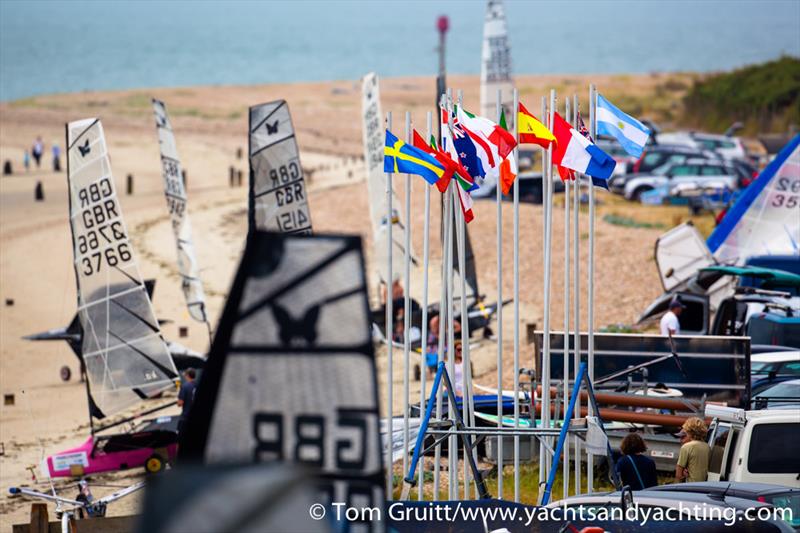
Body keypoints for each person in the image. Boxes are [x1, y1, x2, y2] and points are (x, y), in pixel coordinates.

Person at [675, 417, 710, 483]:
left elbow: (678, 475)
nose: (680, 441)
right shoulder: (707, 447)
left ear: (690, 432)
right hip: (704, 487)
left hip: (689, 487)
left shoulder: (686, 447)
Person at [177, 369, 197, 434]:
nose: (185, 377)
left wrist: (178, 401)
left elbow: (180, 403)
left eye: (185, 375)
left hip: (186, 416)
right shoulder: (198, 384)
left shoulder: (185, 386)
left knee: (179, 434)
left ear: (188, 375)